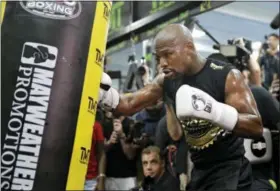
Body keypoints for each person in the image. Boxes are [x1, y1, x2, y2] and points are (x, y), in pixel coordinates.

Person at [99, 24, 263, 190]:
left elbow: (255, 126)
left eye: (168, 55)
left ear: (189, 48)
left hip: (231, 170)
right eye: (158, 58)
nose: (162, 63)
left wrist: (214, 111)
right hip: (199, 169)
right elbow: (129, 104)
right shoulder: (168, 80)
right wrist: (105, 95)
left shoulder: (226, 76)